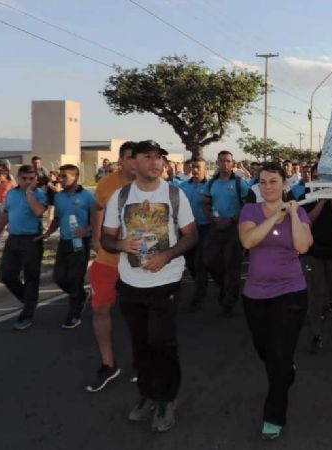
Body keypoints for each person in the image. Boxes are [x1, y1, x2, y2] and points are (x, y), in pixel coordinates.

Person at [101, 140, 196, 432]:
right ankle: (147, 395)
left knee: (162, 342)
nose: (155, 162)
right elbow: (106, 238)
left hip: (165, 281)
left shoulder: (174, 194)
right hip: (130, 282)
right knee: (140, 343)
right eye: (148, 157)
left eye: (159, 158)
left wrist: (167, 255)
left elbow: (191, 235)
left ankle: (167, 399)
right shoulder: (120, 197)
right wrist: (120, 244)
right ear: (134, 162)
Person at [238, 162, 313, 440]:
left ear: (285, 184)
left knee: (279, 353)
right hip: (255, 295)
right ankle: (284, 371)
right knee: (267, 352)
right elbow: (248, 241)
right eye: (263, 182)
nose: (268, 186)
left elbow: (303, 245)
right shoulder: (250, 211)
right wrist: (273, 217)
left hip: (291, 291)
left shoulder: (300, 212)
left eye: (273, 181)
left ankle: (273, 415)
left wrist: (292, 214)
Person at [86, 141, 137, 392]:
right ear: (120, 160)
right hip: (108, 259)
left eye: (135, 158)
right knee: (100, 310)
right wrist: (96, 237)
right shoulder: (107, 183)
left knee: (138, 313)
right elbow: (96, 207)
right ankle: (108, 364)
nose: (132, 162)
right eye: (128, 158)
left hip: (137, 262)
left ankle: (141, 360)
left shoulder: (150, 183)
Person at [298, 164, 332, 354]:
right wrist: (321, 199)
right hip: (312, 253)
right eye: (316, 176)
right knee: (315, 294)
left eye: (324, 177)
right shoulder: (304, 197)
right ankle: (316, 335)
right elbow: (308, 221)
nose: (320, 180)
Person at [0, 165, 48, 330]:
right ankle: (30, 301)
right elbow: (5, 215)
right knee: (6, 275)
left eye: (31, 178)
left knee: (31, 278)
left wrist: (30, 193)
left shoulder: (39, 194)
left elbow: (38, 212)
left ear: (35, 179)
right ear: (18, 177)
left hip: (32, 240)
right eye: (24, 178)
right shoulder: (12, 193)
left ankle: (27, 314)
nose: (27, 181)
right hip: (14, 238)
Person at [40, 165, 95, 329]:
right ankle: (80, 296)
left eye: (64, 176)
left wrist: (86, 229)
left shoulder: (87, 197)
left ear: (75, 177)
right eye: (59, 176)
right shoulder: (59, 197)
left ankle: (74, 314)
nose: (60, 179)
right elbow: (57, 218)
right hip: (65, 240)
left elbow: (97, 219)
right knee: (59, 277)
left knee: (75, 277)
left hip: (81, 241)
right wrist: (48, 233)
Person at [202, 150, 249, 317]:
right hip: (215, 226)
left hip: (233, 228)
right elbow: (205, 204)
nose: (225, 164)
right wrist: (213, 219)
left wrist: (231, 220)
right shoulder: (211, 183)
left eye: (228, 161)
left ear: (233, 163)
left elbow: (247, 206)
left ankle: (229, 302)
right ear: (217, 162)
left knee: (232, 266)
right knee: (209, 261)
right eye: (221, 161)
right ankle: (225, 288)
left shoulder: (239, 183)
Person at [179, 157, 211, 310]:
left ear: (205, 168)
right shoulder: (183, 186)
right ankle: (201, 283)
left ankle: (199, 293)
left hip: (206, 228)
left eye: (198, 167)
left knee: (200, 262)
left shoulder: (211, 186)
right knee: (190, 261)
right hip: (187, 230)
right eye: (193, 167)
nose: (195, 170)